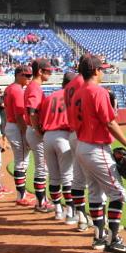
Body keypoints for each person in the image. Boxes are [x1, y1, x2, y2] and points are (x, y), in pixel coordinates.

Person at [73, 56, 126, 253]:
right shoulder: (97, 91)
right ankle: (113, 240)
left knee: (95, 193)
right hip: (96, 147)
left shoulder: (76, 93)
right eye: (102, 69)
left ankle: (99, 237)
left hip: (81, 146)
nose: (103, 72)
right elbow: (109, 122)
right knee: (118, 194)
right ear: (95, 71)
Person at [40, 72, 76, 222]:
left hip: (47, 136)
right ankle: (70, 213)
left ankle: (58, 211)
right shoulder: (72, 97)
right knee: (67, 177)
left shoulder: (49, 97)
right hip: (64, 136)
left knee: (54, 177)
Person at [24, 58, 54, 213]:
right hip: (35, 131)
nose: (50, 73)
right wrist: (38, 130)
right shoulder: (35, 87)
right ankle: (41, 203)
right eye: (48, 71)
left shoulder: (33, 86)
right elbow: (32, 111)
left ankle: (42, 200)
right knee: (42, 168)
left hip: (32, 130)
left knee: (42, 167)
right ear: (40, 71)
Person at [4, 65, 35, 206]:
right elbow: (19, 116)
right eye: (26, 75)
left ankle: (22, 192)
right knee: (21, 162)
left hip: (13, 126)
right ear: (18, 75)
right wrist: (26, 134)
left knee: (22, 161)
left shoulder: (11, 88)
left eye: (30, 76)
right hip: (17, 127)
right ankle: (21, 195)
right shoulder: (16, 90)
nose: (29, 78)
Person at [64, 61, 89, 231]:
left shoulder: (69, 86)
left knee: (78, 179)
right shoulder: (83, 83)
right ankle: (98, 223)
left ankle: (81, 218)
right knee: (95, 182)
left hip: (72, 133)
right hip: (85, 134)